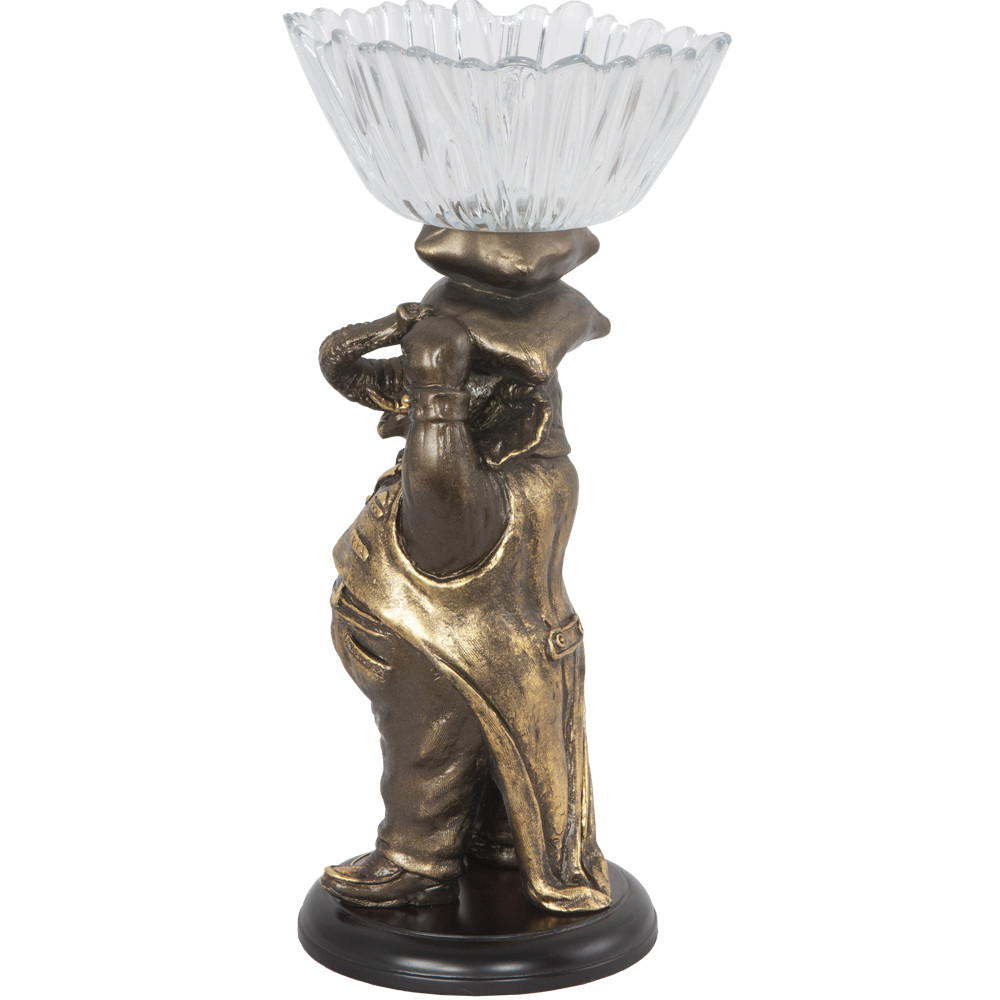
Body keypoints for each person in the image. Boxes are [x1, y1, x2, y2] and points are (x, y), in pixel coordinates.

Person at [316, 228, 612, 913]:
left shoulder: (517, 478)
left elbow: (444, 516)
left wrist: (437, 393)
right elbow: (340, 365)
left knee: (431, 754)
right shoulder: (520, 460)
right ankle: (497, 837)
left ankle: (416, 858)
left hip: (452, 660)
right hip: (473, 655)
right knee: (483, 757)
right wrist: (394, 328)